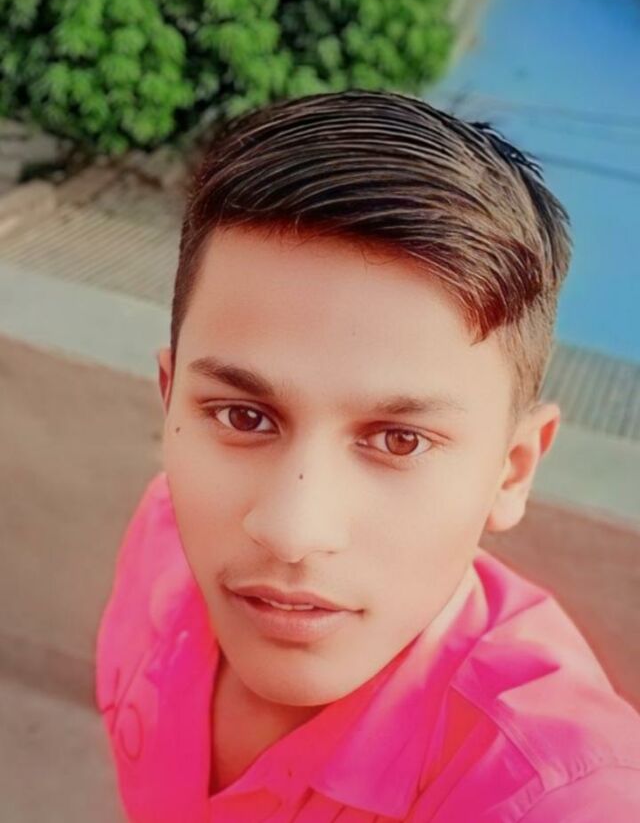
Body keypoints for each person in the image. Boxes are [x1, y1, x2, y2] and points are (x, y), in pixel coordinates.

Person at [95, 89, 640, 822]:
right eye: (244, 416)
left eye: (398, 440)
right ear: (170, 404)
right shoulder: (161, 534)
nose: (291, 531)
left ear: (511, 470)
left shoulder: (553, 797)